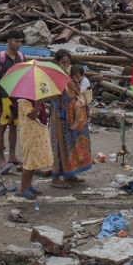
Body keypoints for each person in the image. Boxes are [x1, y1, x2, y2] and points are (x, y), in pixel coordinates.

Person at [48, 50, 93, 187]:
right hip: (60, 115)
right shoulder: (54, 76)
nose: (66, 65)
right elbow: (52, 96)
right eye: (63, 63)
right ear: (57, 62)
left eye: (67, 62)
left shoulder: (71, 74)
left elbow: (81, 90)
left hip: (73, 115)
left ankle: (70, 173)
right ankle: (55, 179)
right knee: (59, 147)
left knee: (71, 144)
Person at [0, 30, 25, 174]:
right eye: (16, 41)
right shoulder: (0, 58)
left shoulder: (21, 57)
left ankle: (12, 155)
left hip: (16, 97)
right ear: (9, 41)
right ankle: (2, 157)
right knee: (2, 126)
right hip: (3, 97)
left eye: (20, 41)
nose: (19, 44)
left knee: (13, 127)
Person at [15, 98, 53, 199]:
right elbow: (33, 116)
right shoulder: (23, 101)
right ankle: (23, 188)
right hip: (30, 134)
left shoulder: (33, 98)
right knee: (29, 161)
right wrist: (38, 103)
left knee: (33, 161)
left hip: (36, 133)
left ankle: (28, 185)